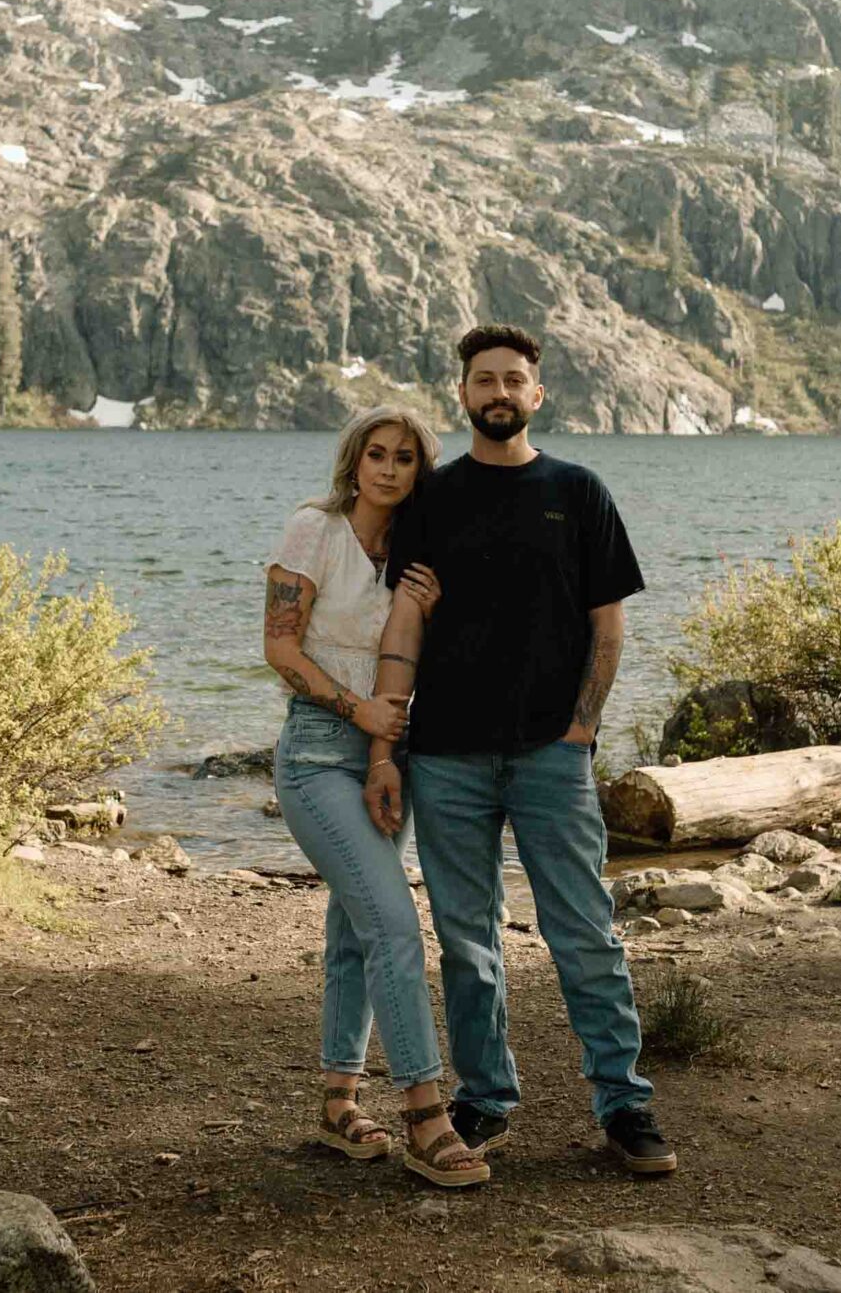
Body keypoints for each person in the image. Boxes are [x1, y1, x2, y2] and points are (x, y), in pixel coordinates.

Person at [369, 324, 678, 1177]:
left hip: (552, 754)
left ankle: (623, 1101)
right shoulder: (432, 499)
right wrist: (386, 744)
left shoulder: (579, 492)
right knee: (468, 941)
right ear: (462, 395)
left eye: (513, 379)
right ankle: (484, 1097)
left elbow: (607, 624)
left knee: (584, 932)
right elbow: (399, 615)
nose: (498, 391)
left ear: (537, 395)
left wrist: (582, 728)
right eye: (483, 380)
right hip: (446, 756)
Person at [261, 404, 490, 1189]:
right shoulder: (312, 529)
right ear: (353, 461)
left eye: (405, 458)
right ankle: (426, 1113)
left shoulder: (418, 557)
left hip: (388, 760)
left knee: (357, 929)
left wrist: (385, 747)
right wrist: (354, 711)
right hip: (317, 756)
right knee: (395, 924)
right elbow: (279, 644)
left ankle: (337, 1101)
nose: (389, 468)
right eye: (376, 454)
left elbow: (417, 660)